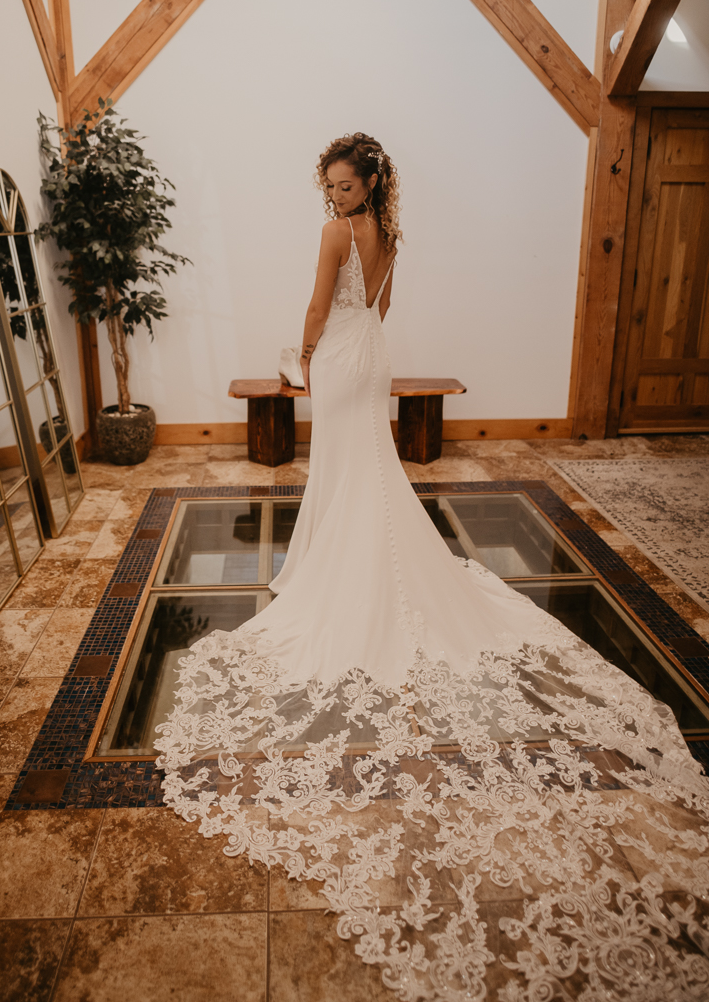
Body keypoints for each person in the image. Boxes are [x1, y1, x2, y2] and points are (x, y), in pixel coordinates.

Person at [157, 133, 709, 1001]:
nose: (335, 196)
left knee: (346, 466)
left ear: (368, 180)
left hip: (337, 362)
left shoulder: (339, 235)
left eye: (345, 184)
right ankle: (351, 554)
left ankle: (339, 570)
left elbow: (315, 309)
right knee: (363, 468)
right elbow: (376, 307)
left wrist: (299, 362)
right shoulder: (390, 233)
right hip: (369, 354)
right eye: (329, 186)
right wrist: (337, 346)